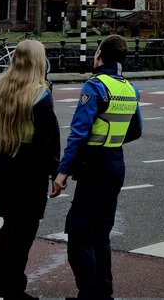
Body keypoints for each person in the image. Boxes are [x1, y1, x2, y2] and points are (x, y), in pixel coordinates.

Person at [0, 40, 61, 300]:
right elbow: (48, 139)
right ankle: (12, 288)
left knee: (9, 226)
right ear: (38, 61)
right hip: (29, 169)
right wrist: (56, 173)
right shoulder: (40, 94)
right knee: (23, 231)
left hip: (2, 162)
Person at [51, 35, 142, 300]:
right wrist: (113, 139)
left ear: (100, 54)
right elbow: (136, 130)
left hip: (94, 166)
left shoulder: (95, 86)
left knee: (78, 234)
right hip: (116, 163)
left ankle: (89, 295)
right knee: (101, 234)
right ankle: (104, 292)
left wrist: (62, 172)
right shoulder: (129, 88)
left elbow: (78, 134)